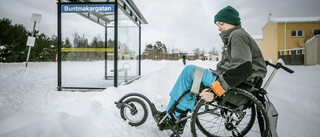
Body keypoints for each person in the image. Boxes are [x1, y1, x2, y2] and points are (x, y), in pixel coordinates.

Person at [158, 5, 267, 134]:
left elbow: (242, 69)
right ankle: (175, 116)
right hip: (237, 83)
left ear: (232, 22)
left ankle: (172, 116)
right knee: (193, 80)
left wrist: (215, 92)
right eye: (217, 25)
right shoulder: (235, 36)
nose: (219, 28)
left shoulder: (238, 36)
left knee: (189, 72)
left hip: (238, 86)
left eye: (221, 24)